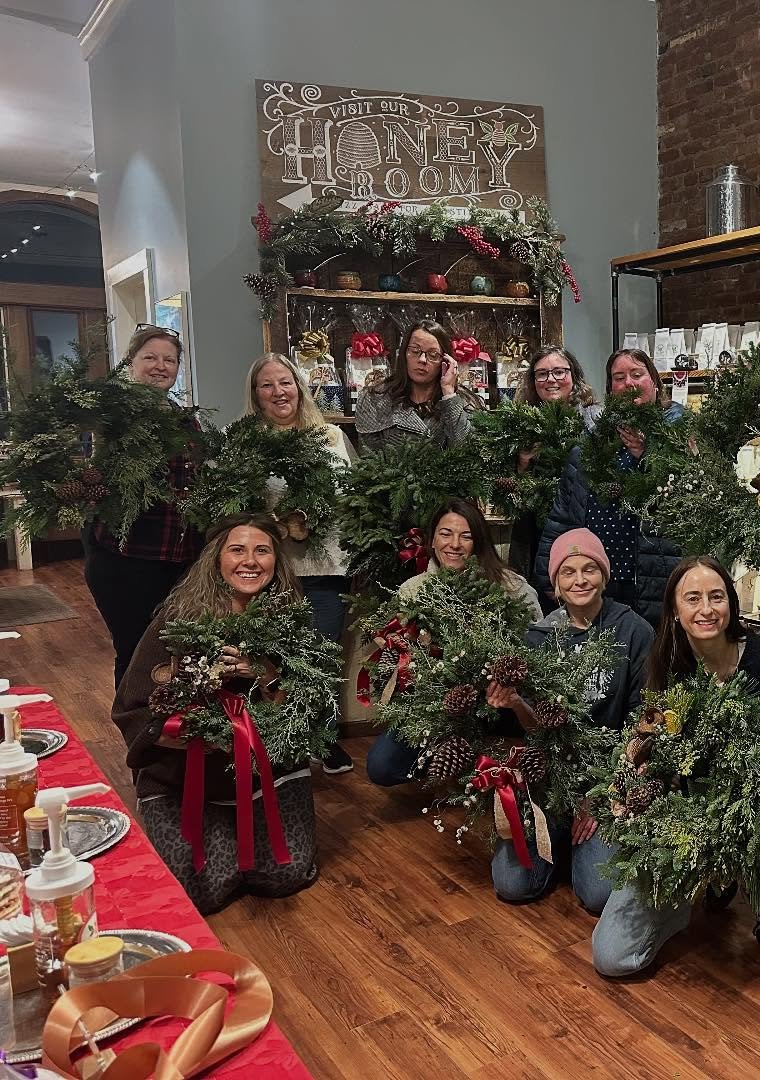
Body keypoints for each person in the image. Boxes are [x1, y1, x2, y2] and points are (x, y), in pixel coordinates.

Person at [591, 556, 760, 977]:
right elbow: (649, 741)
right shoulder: (667, 669)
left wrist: (752, 762)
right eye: (693, 598)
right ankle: (689, 893)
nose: (706, 609)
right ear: (675, 611)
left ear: (732, 604)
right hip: (686, 823)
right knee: (614, 958)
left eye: (716, 597)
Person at [112, 514, 320, 914]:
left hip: (265, 773)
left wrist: (266, 673)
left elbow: (312, 705)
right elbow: (131, 706)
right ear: (216, 559)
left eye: (262, 551)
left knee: (283, 875)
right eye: (237, 550)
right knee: (199, 889)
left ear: (277, 561)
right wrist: (180, 731)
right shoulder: (177, 621)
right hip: (188, 776)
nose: (251, 561)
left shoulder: (293, 624)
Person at [485, 528, 653, 914]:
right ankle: (559, 840)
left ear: (604, 576)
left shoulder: (634, 633)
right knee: (512, 885)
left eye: (589, 569)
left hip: (610, 780)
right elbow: (538, 729)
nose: (580, 580)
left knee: (597, 894)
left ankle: (582, 846)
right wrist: (514, 703)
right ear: (556, 585)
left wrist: (601, 797)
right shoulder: (538, 638)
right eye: (568, 572)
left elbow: (642, 730)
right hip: (551, 777)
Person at [365, 499, 542, 786]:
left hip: (498, 705)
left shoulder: (511, 587)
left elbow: (537, 648)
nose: (455, 544)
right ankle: (459, 769)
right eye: (446, 534)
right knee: (381, 766)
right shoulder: (413, 592)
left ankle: (493, 771)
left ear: (479, 542)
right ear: (432, 539)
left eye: (466, 535)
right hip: (435, 708)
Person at [244, 352, 355, 774]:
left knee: (323, 655)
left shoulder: (329, 437)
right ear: (256, 395)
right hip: (274, 570)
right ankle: (278, 741)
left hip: (328, 565)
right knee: (277, 656)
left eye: (285, 382)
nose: (278, 392)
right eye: (267, 385)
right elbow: (237, 508)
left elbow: (353, 494)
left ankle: (322, 738)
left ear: (299, 386)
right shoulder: (248, 445)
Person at [83, 325, 203, 686]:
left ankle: (169, 735)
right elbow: (91, 477)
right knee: (135, 652)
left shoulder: (187, 419)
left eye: (169, 359)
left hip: (181, 560)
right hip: (127, 559)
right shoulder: (112, 418)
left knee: (174, 653)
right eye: (150, 357)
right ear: (130, 363)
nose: (160, 366)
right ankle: (134, 731)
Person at [534, 349, 685, 625]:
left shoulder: (679, 434)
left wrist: (646, 454)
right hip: (596, 580)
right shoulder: (589, 443)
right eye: (619, 377)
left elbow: (686, 498)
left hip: (653, 577)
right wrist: (547, 572)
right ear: (610, 389)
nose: (628, 383)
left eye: (637, 374)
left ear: (654, 382)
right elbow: (564, 512)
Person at [506, 346, 601, 590]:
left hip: (582, 533)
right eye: (542, 374)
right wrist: (523, 463)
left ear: (573, 376)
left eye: (559, 372)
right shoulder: (519, 425)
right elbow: (505, 497)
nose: (551, 380)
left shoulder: (594, 421)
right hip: (534, 538)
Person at [353, 319, 477, 453]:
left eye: (433, 354)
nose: (422, 360)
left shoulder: (466, 402)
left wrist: (448, 392)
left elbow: (468, 453)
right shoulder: (375, 399)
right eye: (415, 350)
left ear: (446, 360)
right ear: (404, 353)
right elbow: (368, 463)